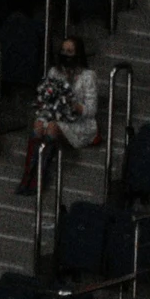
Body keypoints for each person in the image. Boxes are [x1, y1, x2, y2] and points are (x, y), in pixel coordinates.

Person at [18, 34, 98, 194]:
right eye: (63, 50)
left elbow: (91, 110)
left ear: (78, 54)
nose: (65, 54)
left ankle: (40, 178)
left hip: (78, 121)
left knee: (52, 128)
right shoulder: (54, 72)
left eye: (70, 51)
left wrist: (73, 105)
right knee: (39, 125)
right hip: (54, 115)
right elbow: (46, 95)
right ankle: (28, 175)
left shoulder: (88, 76)